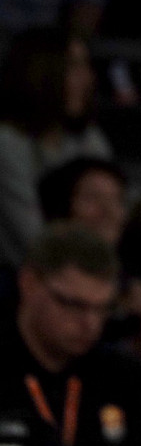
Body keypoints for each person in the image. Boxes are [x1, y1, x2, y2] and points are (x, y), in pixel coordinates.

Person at [0, 227, 141, 446]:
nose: (90, 323)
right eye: (74, 304)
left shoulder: (122, 379)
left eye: (102, 308)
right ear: (29, 284)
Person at [0, 26, 113, 272]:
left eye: (86, 66)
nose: (87, 79)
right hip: (24, 278)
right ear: (41, 72)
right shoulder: (7, 144)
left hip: (83, 269)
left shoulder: (87, 137)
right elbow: (35, 241)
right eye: (73, 66)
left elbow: (114, 199)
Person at [38, 156, 141, 366]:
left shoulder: (130, 286)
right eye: (92, 198)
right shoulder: (39, 280)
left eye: (117, 200)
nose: (109, 212)